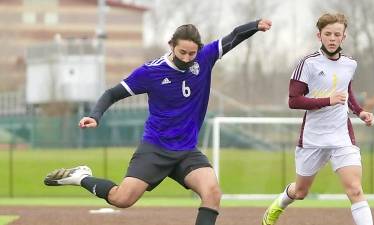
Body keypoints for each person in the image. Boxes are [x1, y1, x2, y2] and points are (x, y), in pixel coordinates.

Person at [44, 19, 272, 225]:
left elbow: (233, 36)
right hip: (155, 148)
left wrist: (255, 25)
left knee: (212, 193)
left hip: (186, 151)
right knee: (122, 199)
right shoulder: (150, 72)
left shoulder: (205, 57)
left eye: (192, 53)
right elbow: (112, 94)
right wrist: (94, 116)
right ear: (171, 45)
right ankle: (82, 176)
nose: (186, 58)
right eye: (182, 52)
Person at [261, 13, 374, 225]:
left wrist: (360, 112)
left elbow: (346, 92)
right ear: (319, 35)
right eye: (328, 34)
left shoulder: (350, 64)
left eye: (337, 34)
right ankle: (278, 205)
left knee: (355, 190)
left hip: (342, 136)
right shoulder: (308, 64)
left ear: (344, 37)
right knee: (301, 191)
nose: (332, 38)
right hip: (313, 138)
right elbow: (294, 101)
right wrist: (327, 100)